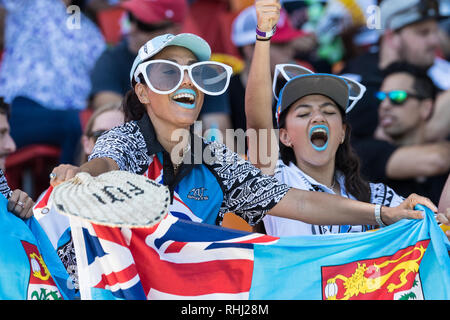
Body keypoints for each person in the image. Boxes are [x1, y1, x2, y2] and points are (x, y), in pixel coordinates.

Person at [49, 30, 437, 232]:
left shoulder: (216, 157)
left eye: (195, 72)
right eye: (168, 72)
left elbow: (297, 203)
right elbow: (105, 159)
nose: (186, 83)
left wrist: (385, 214)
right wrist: (82, 174)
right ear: (143, 92)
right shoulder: (130, 138)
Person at [243, 0, 434, 236]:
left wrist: (430, 217)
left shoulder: (374, 195)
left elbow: (430, 227)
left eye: (328, 111)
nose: (317, 117)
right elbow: (257, 124)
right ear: (284, 136)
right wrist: (263, 38)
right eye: (303, 113)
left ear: (342, 132)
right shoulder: (276, 178)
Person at [89, 0, 232, 139]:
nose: (131, 29)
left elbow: (219, 133)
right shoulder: (111, 60)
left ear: (173, 29)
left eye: (144, 25)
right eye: (130, 17)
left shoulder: (204, 71)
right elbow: (113, 119)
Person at [0, 0, 105, 164]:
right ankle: (67, 188)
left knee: (93, 127)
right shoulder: (28, 5)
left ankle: (72, 187)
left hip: (70, 117)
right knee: (78, 123)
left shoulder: (90, 33)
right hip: (15, 111)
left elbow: (102, 83)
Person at [341, 0, 447, 142]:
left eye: (435, 31)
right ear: (392, 37)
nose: (435, 41)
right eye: (423, 33)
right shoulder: (355, 87)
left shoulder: (438, 73)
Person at [352, 62, 449, 206]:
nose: (384, 105)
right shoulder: (366, 151)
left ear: (426, 108)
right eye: (381, 98)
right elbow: (436, 160)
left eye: (397, 97)